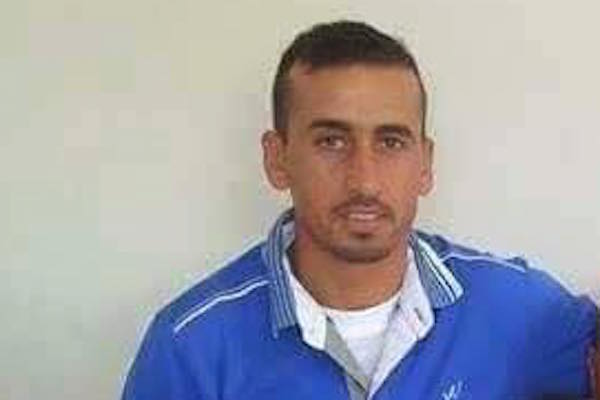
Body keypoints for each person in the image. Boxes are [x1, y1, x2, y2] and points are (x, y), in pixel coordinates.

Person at [121, 21, 598, 399]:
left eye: (391, 142)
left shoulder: (520, 311)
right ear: (277, 158)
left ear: (426, 163)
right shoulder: (192, 346)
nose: (364, 180)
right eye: (331, 141)